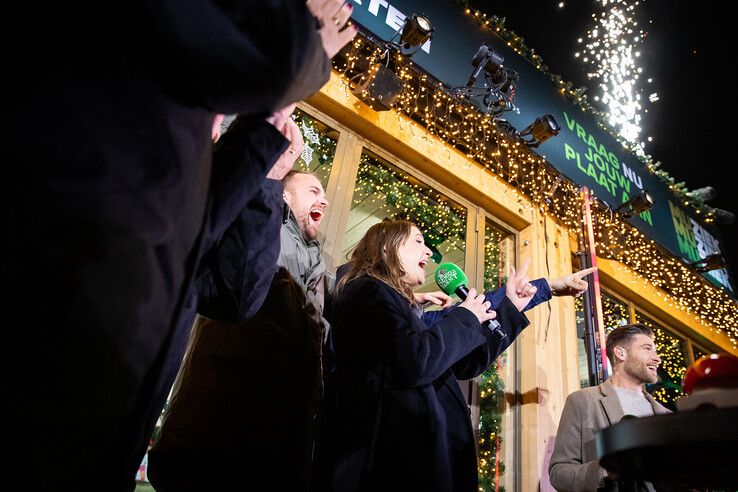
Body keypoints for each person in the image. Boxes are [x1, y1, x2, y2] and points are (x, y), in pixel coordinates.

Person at [5, 1, 356, 489]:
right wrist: (304, 44)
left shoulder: (202, 182)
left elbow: (230, 292)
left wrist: (262, 157)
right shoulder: (113, 92)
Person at [313, 219, 592, 491]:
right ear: (387, 248)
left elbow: (464, 362)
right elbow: (415, 360)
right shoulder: (368, 291)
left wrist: (511, 308)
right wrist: (464, 316)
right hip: (388, 466)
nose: (428, 252)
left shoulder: (397, 304)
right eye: (418, 242)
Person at [148, 170, 333, 490]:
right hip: (217, 438)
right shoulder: (262, 224)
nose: (325, 200)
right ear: (286, 195)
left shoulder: (315, 264)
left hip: (276, 450)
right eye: (314, 190)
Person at [548, 323, 671, 492]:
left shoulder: (666, 415)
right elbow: (559, 473)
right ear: (621, 353)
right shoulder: (582, 401)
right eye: (647, 348)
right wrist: (607, 470)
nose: (657, 358)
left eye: (655, 350)